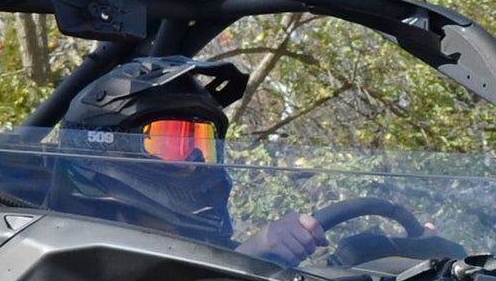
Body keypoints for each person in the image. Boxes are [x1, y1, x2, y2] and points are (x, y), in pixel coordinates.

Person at [48, 56, 328, 264]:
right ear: (104, 147)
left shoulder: (193, 244)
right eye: (169, 142)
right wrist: (252, 252)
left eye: (201, 143)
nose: (194, 162)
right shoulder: (65, 260)